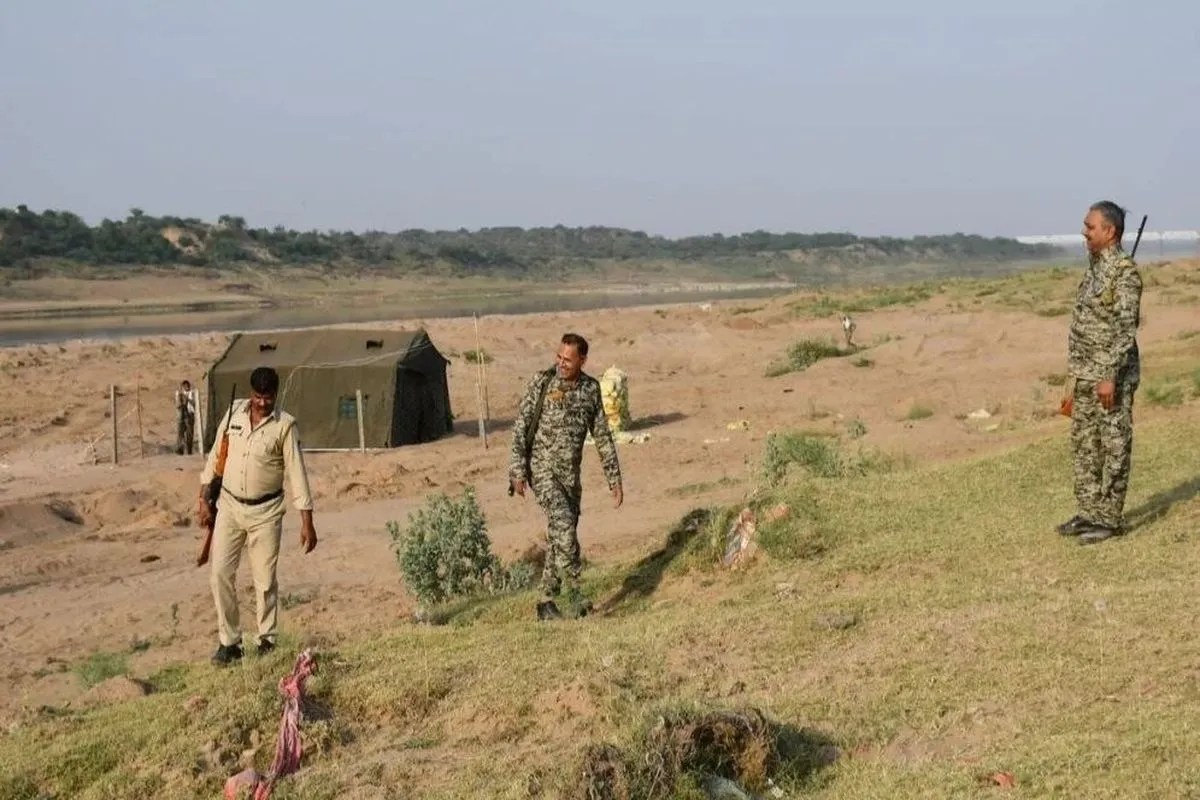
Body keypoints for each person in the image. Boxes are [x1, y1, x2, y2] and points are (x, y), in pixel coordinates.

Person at [197, 366, 318, 664]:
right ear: (250, 394)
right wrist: (203, 498)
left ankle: (266, 640)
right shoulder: (234, 413)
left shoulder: (285, 426)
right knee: (220, 574)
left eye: (268, 397)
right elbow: (216, 455)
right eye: (257, 397)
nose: (262, 403)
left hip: (266, 513)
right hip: (229, 507)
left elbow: (296, 473)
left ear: (276, 395)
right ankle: (230, 644)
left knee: (264, 580)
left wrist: (307, 521)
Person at [509, 333, 623, 620]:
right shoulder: (542, 382)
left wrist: (614, 479)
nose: (560, 363)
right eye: (558, 357)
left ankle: (546, 602)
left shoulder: (590, 390)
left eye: (567, 360)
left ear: (582, 360)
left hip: (570, 479)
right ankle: (575, 595)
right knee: (564, 528)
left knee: (561, 536)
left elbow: (602, 436)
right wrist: (518, 471)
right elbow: (520, 428)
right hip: (542, 471)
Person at [1056, 200, 1143, 545]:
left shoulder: (1124, 272)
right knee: (1085, 446)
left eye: (1090, 227)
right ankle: (1088, 511)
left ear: (1110, 231)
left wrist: (1109, 375)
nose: (1084, 232)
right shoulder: (1095, 267)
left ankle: (1109, 519)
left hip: (1110, 377)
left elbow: (1124, 328)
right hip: (1083, 373)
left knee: (1113, 444)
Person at [175, 380, 196, 455]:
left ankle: (189, 450)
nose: (186, 387)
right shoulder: (180, 394)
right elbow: (177, 405)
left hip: (189, 414)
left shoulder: (192, 393)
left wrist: (187, 399)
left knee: (189, 434)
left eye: (187, 385)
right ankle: (180, 449)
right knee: (180, 433)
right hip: (182, 414)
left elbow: (194, 403)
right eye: (184, 386)